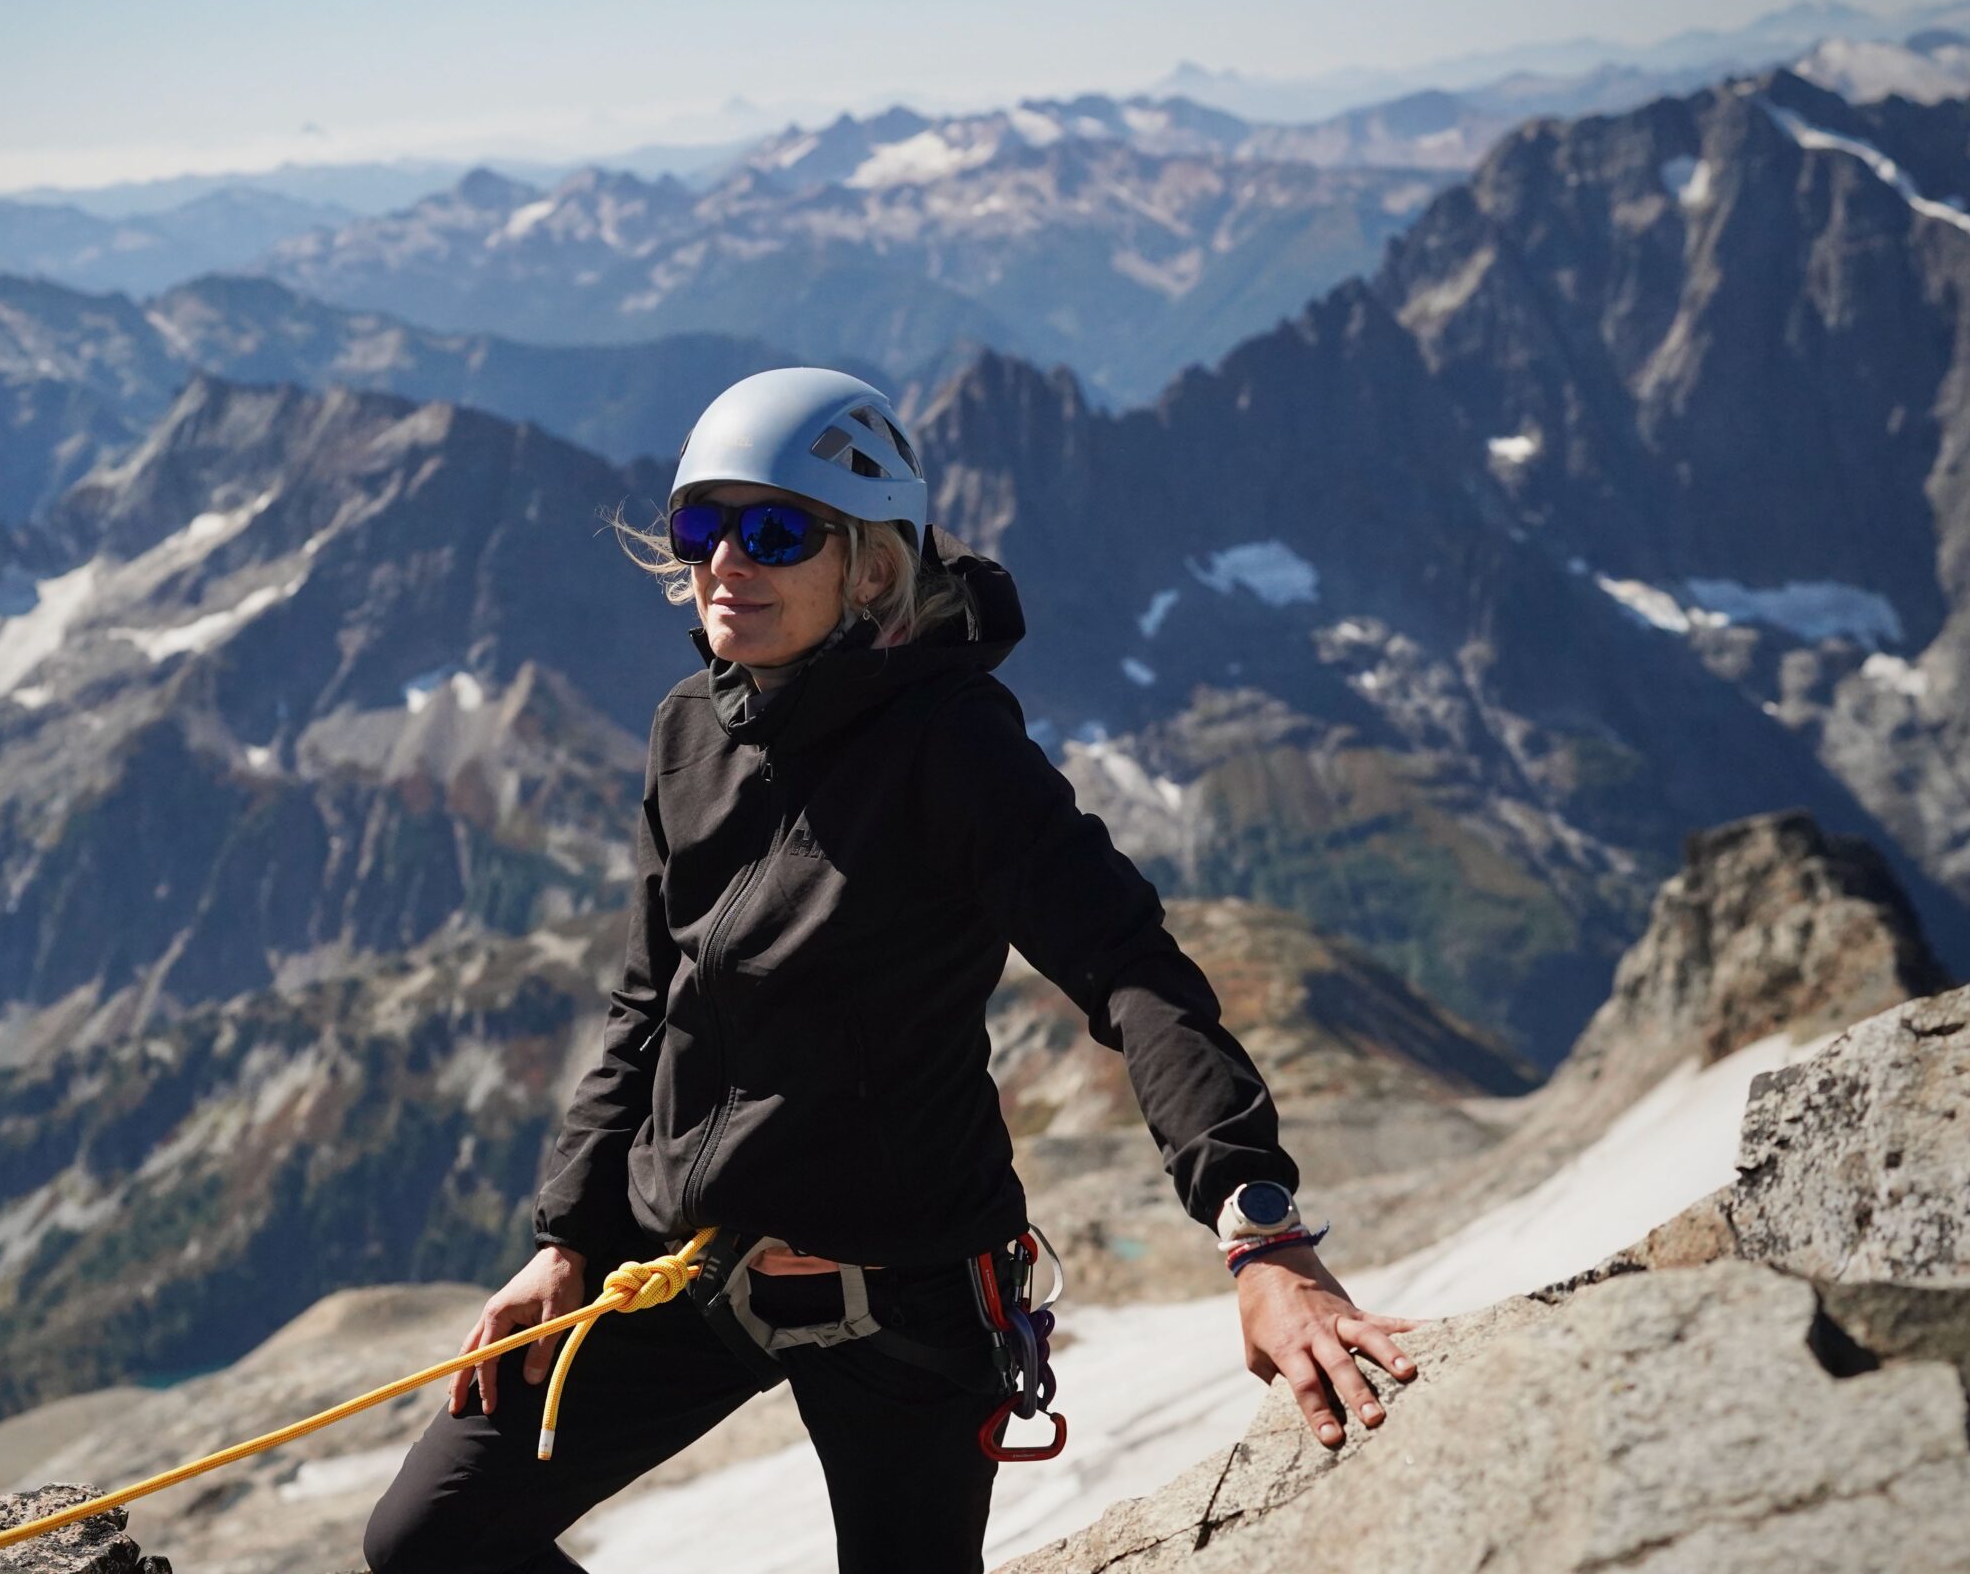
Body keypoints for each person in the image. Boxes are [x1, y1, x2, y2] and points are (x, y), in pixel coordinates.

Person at [361, 368, 1415, 1573]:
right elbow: (647, 1002)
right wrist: (563, 1239)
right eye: (701, 527)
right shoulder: (688, 734)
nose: (723, 564)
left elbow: (1131, 971)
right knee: (429, 1538)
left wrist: (1261, 1235)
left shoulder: (955, 747)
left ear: (869, 567)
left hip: (907, 1306)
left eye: (774, 532)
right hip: (692, 1274)